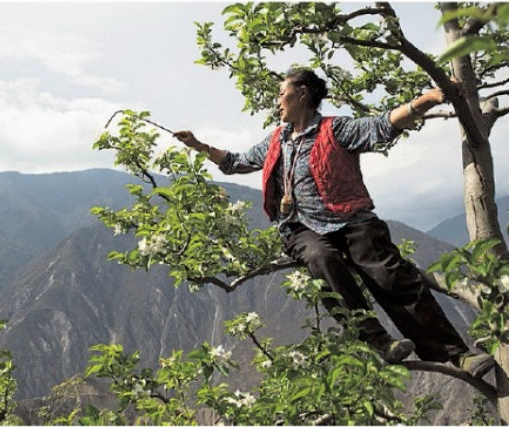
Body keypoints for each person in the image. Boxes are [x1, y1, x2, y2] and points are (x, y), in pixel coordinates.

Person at [173, 67, 495, 378]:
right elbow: (235, 163)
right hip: (301, 229)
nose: (277, 101)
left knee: (390, 274)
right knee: (320, 258)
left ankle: (458, 354)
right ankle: (380, 343)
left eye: (281, 94)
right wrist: (198, 145)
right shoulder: (277, 140)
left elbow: (382, 126)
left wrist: (428, 100)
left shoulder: (335, 129)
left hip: (351, 220)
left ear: (301, 95)